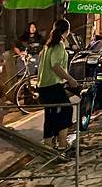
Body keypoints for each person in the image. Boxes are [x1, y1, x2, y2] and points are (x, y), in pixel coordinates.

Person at [37, 18, 79, 149]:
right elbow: (56, 66)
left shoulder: (48, 45)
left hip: (43, 86)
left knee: (51, 114)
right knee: (66, 110)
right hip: (53, 85)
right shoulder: (59, 44)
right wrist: (70, 79)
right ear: (67, 31)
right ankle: (62, 142)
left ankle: (49, 143)